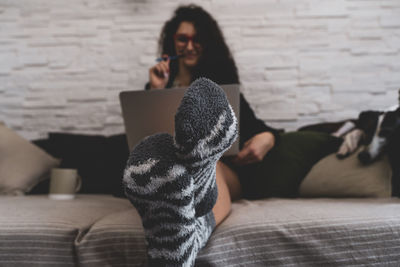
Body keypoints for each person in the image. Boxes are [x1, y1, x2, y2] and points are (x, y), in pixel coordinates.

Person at [123, 4, 281, 266]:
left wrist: (268, 138)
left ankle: (193, 235)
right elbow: (146, 142)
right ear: (172, 43)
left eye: (197, 39)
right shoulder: (155, 86)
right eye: (182, 39)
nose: (189, 45)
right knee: (171, 164)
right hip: (174, 172)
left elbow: (263, 129)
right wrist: (156, 89)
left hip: (223, 173)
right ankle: (177, 219)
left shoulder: (221, 88)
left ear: (208, 44)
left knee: (208, 159)